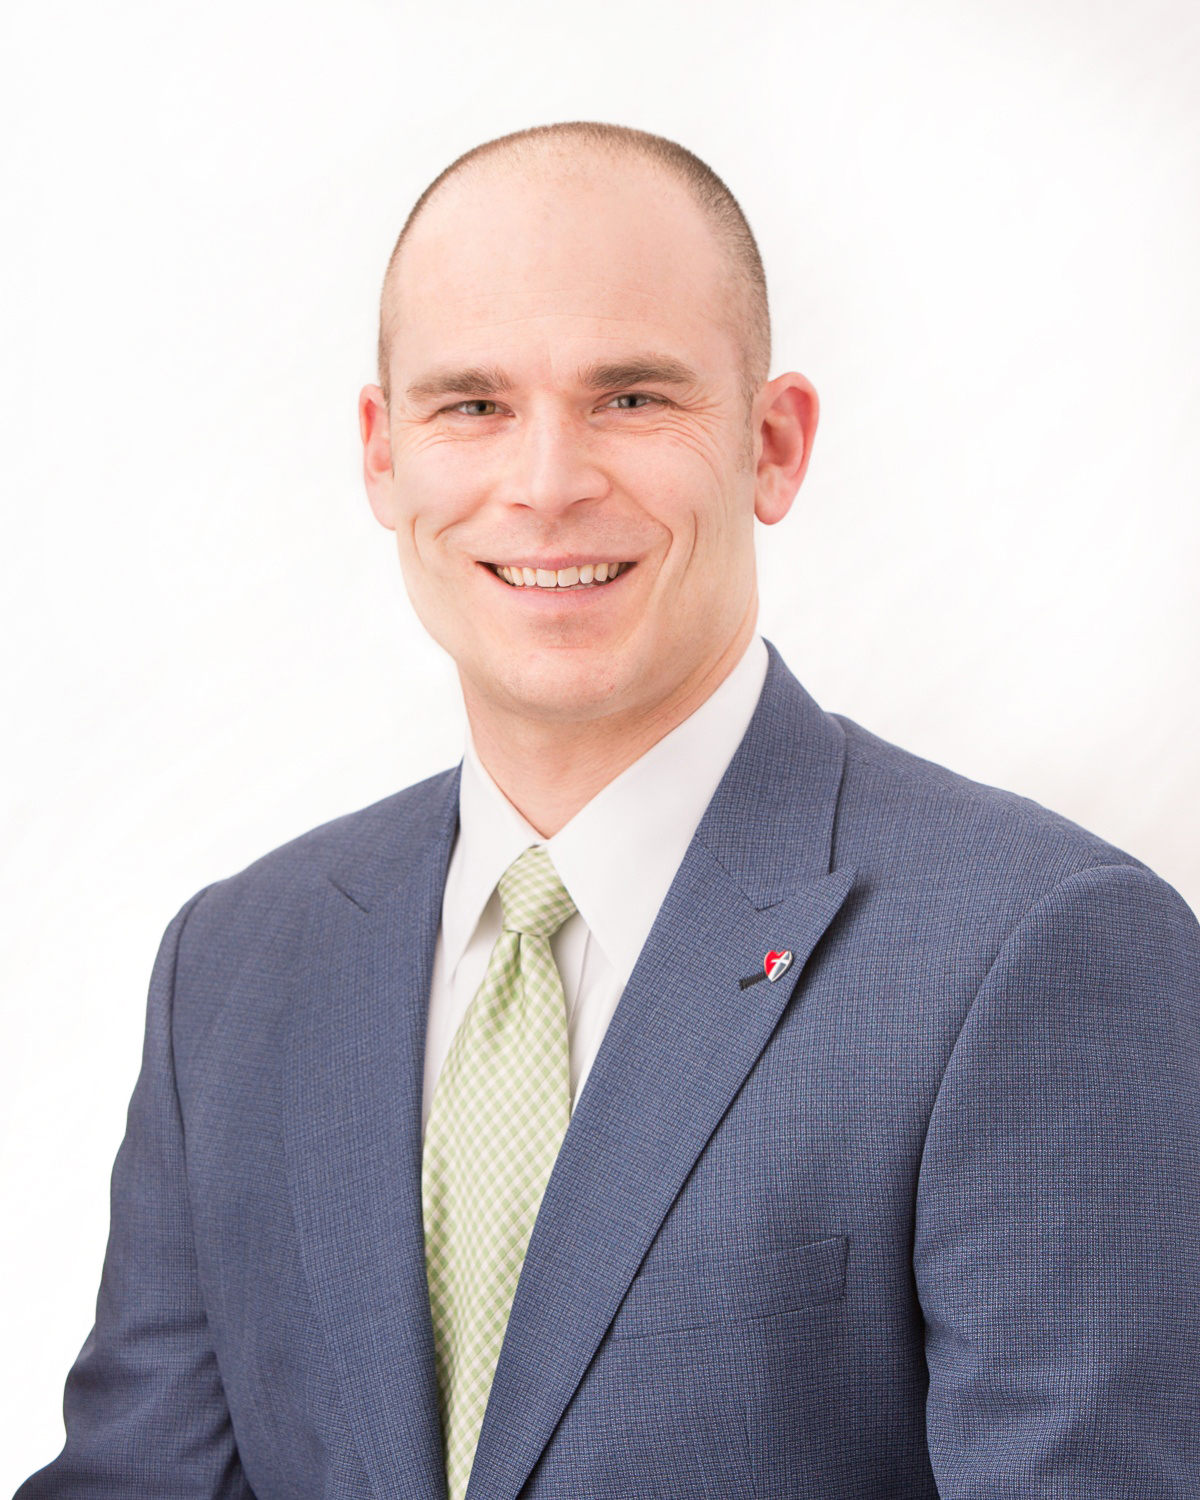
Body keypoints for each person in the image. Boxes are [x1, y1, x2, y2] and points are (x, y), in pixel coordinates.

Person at [18, 122, 1200, 1500]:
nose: (546, 483)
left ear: (773, 445)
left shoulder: (1039, 948)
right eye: (472, 405)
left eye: (631, 398)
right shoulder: (235, 964)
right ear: (383, 455)